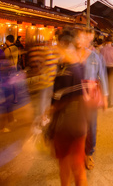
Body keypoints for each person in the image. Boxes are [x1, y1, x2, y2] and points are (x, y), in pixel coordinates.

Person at [47, 29, 88, 186]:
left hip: (65, 126)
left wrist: (47, 114)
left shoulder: (65, 71)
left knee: (65, 167)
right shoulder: (80, 66)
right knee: (78, 166)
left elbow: (58, 102)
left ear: (63, 44)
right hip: (80, 123)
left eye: (57, 44)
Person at [78, 29, 109, 170]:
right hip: (75, 94)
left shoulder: (95, 56)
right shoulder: (72, 55)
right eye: (83, 37)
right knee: (77, 124)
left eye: (88, 37)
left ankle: (89, 152)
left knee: (91, 125)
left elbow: (102, 76)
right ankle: (77, 151)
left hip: (91, 94)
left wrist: (105, 96)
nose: (85, 40)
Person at [100, 36, 113, 108]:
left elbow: (100, 60)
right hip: (112, 69)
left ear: (105, 41)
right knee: (110, 86)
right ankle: (108, 102)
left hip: (104, 68)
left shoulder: (102, 49)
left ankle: (103, 102)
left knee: (104, 85)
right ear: (111, 42)